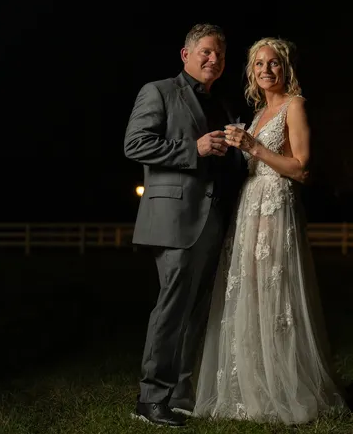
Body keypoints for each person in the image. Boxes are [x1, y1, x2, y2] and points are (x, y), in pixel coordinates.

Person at [193, 37, 347, 425]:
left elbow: (302, 168)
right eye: (259, 64)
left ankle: (285, 389)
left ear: (286, 68)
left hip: (276, 209)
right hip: (248, 210)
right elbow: (252, 158)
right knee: (248, 295)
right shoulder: (259, 112)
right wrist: (235, 149)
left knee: (275, 297)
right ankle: (252, 389)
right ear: (251, 72)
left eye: (273, 63)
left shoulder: (295, 106)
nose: (266, 70)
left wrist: (254, 147)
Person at [124, 24, 248, 428]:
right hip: (174, 218)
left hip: (213, 219)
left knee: (198, 311)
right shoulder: (157, 91)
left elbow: (222, 162)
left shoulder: (223, 103)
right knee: (172, 307)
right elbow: (135, 143)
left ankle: (180, 394)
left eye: (221, 55)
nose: (215, 60)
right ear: (186, 54)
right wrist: (191, 149)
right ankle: (149, 398)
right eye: (207, 52)